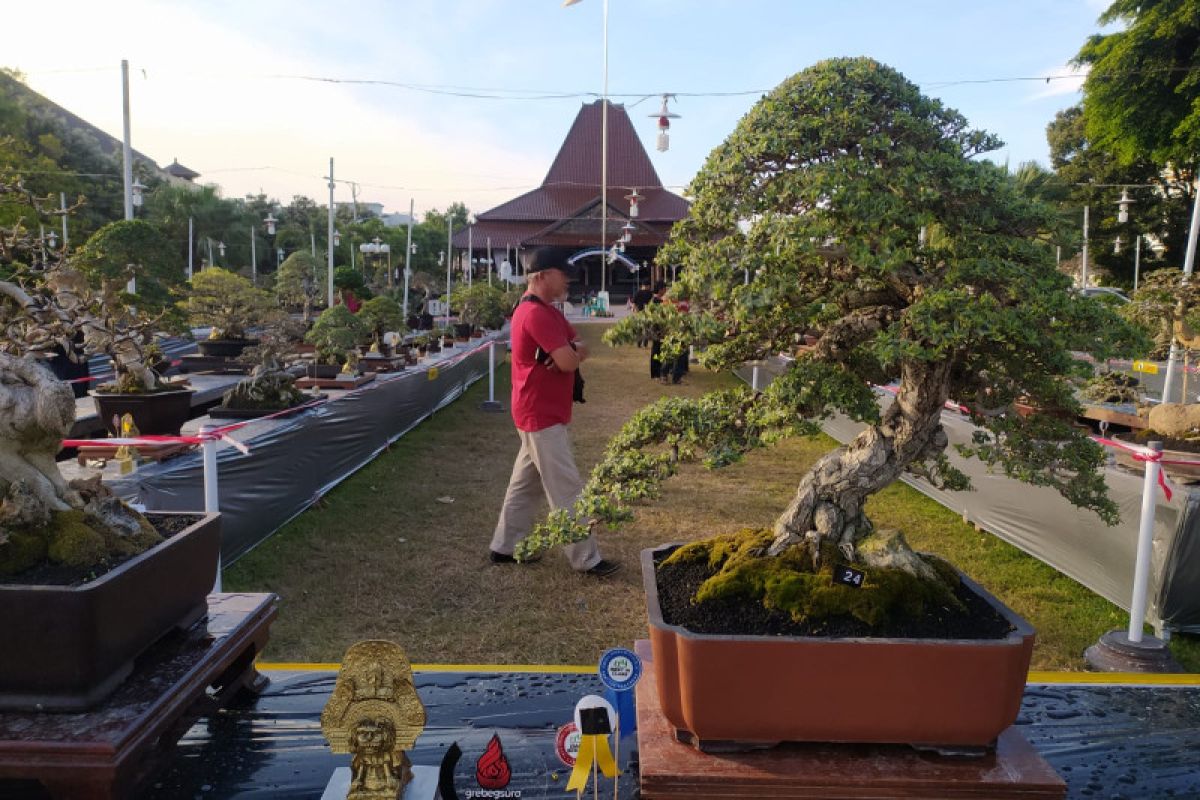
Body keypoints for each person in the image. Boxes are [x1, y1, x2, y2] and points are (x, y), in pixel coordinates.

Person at [489, 246, 620, 577]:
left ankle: (505, 546)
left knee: (524, 483)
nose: (569, 282)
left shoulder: (547, 311)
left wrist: (571, 351)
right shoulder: (534, 313)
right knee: (566, 488)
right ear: (542, 275)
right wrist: (570, 353)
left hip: (540, 412)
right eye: (563, 275)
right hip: (540, 414)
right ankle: (586, 558)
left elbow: (581, 347)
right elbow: (567, 360)